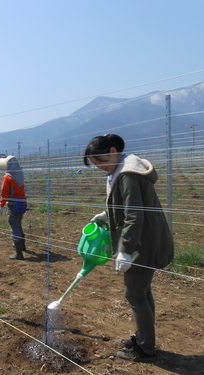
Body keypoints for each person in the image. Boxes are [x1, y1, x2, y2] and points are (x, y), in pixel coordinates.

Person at [84, 134, 174, 363]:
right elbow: (128, 206)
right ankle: (145, 339)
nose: (100, 167)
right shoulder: (125, 168)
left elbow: (134, 215)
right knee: (142, 292)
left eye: (101, 161)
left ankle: (145, 349)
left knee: (134, 293)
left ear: (113, 151)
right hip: (148, 239)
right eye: (96, 165)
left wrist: (125, 250)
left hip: (141, 243)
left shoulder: (126, 175)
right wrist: (108, 214)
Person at [0, 155, 27, 260]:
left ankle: (19, 254)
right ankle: (22, 246)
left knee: (14, 225)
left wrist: (1, 205)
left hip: (13, 204)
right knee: (19, 223)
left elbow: (4, 193)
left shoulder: (7, 177)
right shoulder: (20, 174)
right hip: (22, 203)